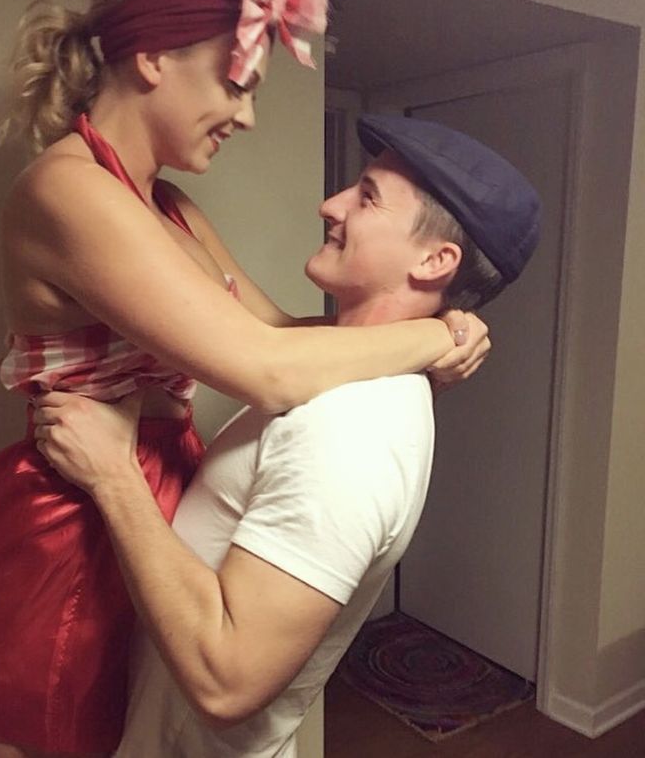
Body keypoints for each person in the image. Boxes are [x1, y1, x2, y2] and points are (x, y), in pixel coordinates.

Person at [0, 0, 490, 757]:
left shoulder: (169, 206)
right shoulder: (67, 190)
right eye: (239, 84)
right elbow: (263, 373)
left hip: (152, 495)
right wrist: (432, 333)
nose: (248, 115)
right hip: (67, 533)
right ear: (155, 57)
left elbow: (268, 335)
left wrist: (445, 324)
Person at [32, 113, 541, 758]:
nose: (331, 204)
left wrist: (113, 476)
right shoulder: (327, 371)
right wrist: (439, 334)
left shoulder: (353, 428)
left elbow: (227, 682)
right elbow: (267, 338)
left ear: (435, 260)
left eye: (366, 196)